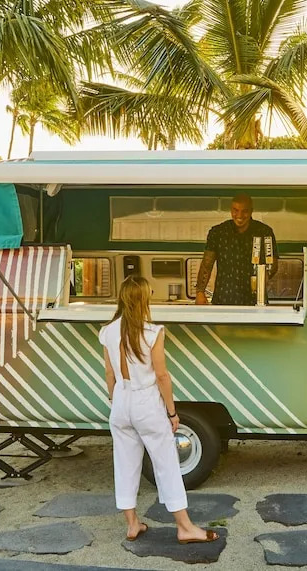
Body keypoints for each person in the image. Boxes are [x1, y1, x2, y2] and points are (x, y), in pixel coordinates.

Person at [101, 276, 219, 544]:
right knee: (166, 463)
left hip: (121, 400)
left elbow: (109, 373)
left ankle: (132, 524)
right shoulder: (152, 332)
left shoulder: (107, 331)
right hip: (146, 402)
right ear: (144, 299)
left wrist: (116, 400)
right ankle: (185, 527)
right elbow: (162, 375)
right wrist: (172, 412)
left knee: (125, 463)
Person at [195, 193, 278, 305]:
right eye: (235, 210)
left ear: (251, 211)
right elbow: (207, 264)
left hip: (255, 301)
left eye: (245, 211)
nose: (240, 215)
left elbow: (272, 264)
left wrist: (263, 279)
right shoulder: (218, 232)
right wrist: (200, 292)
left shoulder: (264, 232)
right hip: (223, 299)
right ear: (231, 210)